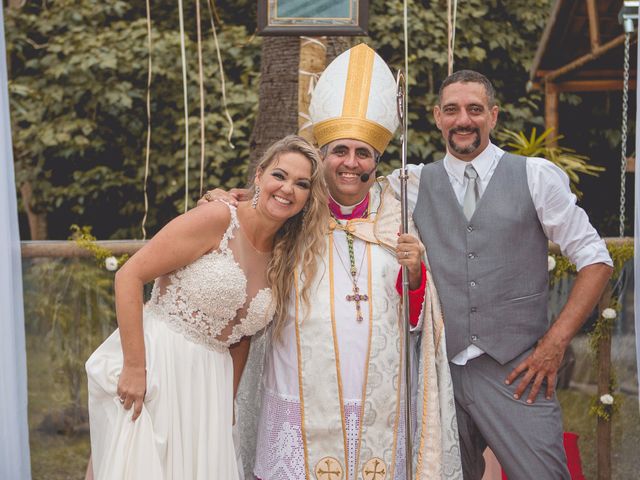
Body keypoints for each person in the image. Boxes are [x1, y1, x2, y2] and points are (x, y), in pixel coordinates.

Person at [207, 44, 462, 480]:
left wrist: (417, 273)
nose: (350, 162)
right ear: (322, 156)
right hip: (298, 391)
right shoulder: (296, 210)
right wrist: (220, 203)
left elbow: (418, 314)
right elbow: (252, 217)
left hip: (378, 399)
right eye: (339, 150)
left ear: (376, 163)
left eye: (363, 153)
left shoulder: (398, 213)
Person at [388, 69, 613, 479]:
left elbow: (596, 259)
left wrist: (555, 343)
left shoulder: (535, 176)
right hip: (440, 375)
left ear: (493, 115)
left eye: (475, 109)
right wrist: (247, 198)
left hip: (518, 372)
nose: (463, 120)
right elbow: (340, 195)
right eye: (452, 110)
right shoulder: (409, 184)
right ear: (437, 117)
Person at [85, 135, 328, 480]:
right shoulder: (216, 218)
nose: (287, 189)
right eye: (280, 175)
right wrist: (135, 367)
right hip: (161, 364)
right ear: (259, 176)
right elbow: (129, 276)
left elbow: (242, 338)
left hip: (210, 386)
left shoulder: (284, 255)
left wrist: (226, 403)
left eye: (301, 184)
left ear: (307, 198)